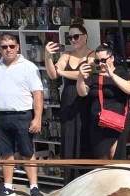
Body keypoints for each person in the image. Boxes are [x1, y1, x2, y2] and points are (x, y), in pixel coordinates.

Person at [0, 33, 44, 196]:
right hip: (0, 115)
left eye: (11, 46)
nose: (8, 49)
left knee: (27, 151)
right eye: (4, 47)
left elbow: (37, 94)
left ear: (17, 46)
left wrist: (37, 117)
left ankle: (34, 187)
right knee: (5, 152)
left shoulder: (29, 66)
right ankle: (8, 187)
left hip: (22, 114)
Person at [44, 19, 93, 184]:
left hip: (86, 99)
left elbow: (84, 75)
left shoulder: (92, 55)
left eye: (76, 37)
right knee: (69, 137)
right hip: (69, 99)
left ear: (85, 37)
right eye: (69, 37)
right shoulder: (66, 55)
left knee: (85, 136)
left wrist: (62, 72)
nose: (72, 40)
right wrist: (48, 57)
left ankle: (85, 179)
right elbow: (52, 75)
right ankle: (69, 179)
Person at [76, 44, 130, 160]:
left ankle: (115, 178)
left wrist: (112, 75)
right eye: (97, 61)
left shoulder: (121, 72)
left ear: (112, 58)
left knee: (114, 155)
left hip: (116, 121)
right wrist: (80, 77)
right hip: (98, 122)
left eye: (103, 60)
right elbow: (82, 92)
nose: (100, 64)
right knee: (101, 156)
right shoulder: (94, 74)